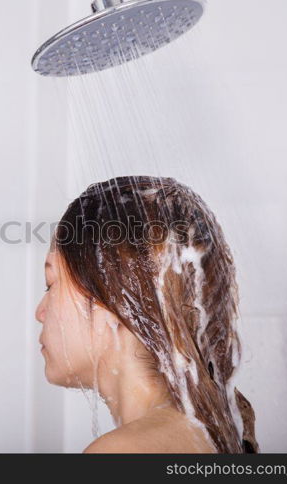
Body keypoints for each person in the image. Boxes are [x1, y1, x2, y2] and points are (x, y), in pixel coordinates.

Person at [35, 176, 259, 453]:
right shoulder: (206, 430)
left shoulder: (121, 453)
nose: (40, 312)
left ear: (112, 303)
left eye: (50, 284)